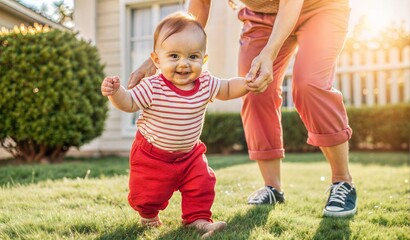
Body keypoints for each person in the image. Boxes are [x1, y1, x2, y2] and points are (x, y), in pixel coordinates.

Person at [127, 0, 357, 218]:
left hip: (320, 8)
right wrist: (156, 60)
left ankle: (342, 181)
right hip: (261, 16)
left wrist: (269, 52)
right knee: (254, 89)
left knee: (309, 84)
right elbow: (200, 5)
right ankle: (272, 188)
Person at [101, 12, 248, 236]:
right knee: (148, 194)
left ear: (203, 59)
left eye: (192, 56)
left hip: (191, 155)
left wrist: (248, 83)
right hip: (152, 156)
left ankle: (198, 219)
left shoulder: (206, 83)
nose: (184, 64)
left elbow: (227, 88)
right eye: (174, 56)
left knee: (202, 184)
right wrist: (116, 93)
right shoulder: (152, 86)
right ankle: (148, 216)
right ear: (157, 60)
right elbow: (129, 102)